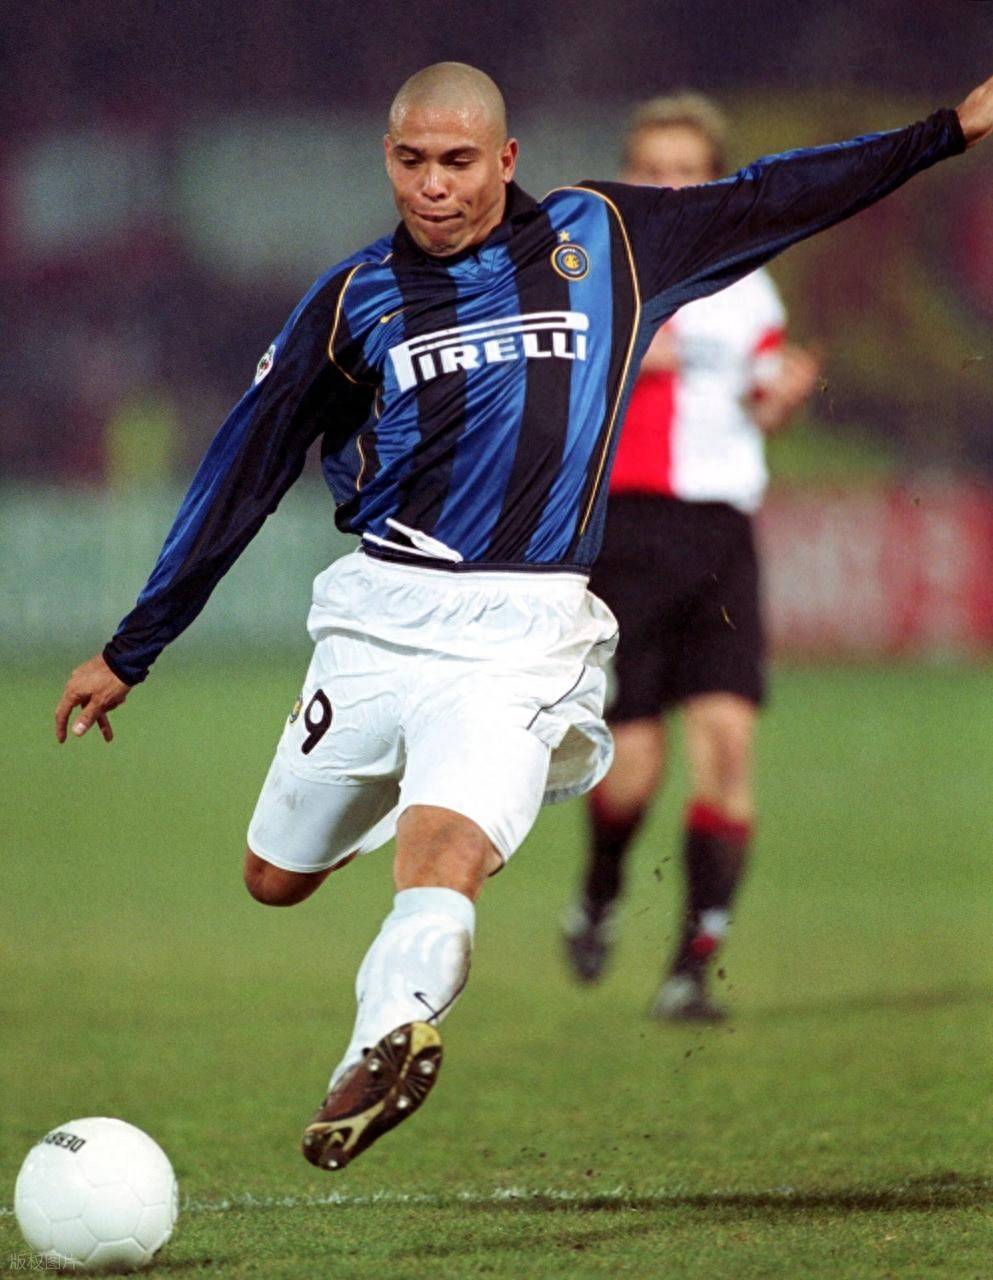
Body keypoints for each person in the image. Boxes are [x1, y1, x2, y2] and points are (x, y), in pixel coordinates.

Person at [55, 62, 993, 1173]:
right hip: (379, 616)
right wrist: (135, 647)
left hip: (524, 631)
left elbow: (775, 194)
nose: (434, 186)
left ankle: (382, 1040)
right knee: (275, 877)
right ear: (387, 160)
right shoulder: (353, 302)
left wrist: (947, 129)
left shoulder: (607, 241)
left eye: (459, 162)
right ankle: (413, 804)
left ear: (505, 160)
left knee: (443, 857)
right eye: (413, 162)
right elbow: (241, 471)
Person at [562, 93, 821, 1022]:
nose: (669, 186)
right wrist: (625, 354)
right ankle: (600, 889)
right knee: (631, 765)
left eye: (687, 171)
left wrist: (782, 394)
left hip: (719, 535)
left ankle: (689, 967)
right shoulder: (591, 275)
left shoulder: (750, 283)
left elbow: (757, 400)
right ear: (627, 177)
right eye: (652, 170)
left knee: (726, 744)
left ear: (715, 182)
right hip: (624, 534)